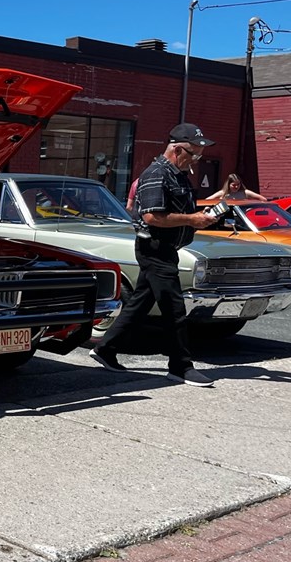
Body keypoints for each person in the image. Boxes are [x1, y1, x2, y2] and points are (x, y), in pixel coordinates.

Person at [90, 123, 218, 386]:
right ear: (177, 149)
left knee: (140, 303)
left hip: (166, 249)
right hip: (155, 248)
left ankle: (105, 349)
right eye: (193, 154)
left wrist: (200, 217)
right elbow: (152, 216)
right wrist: (192, 219)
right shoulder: (156, 174)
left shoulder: (178, 174)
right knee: (174, 308)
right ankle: (181, 366)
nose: (196, 160)